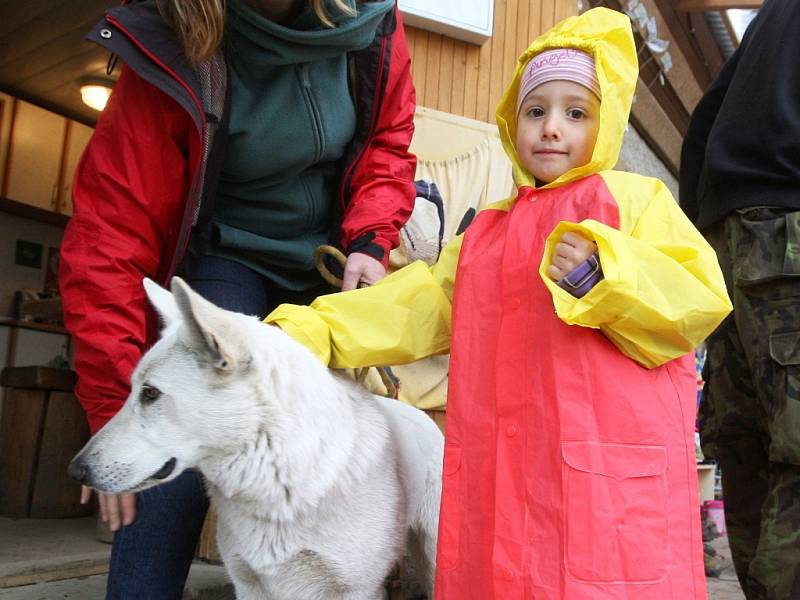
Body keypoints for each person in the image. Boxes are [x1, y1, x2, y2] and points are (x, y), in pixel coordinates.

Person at [266, 7, 732, 599]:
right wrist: (313, 332)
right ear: (514, 123)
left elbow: (699, 298)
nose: (551, 128)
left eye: (576, 112)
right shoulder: (486, 233)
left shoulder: (634, 201)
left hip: (603, 494)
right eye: (535, 111)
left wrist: (607, 276)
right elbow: (418, 304)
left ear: (607, 120)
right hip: (506, 486)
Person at [58, 0, 416, 597]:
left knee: (335, 447)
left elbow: (388, 136)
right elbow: (108, 238)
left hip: (330, 263)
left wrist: (371, 239)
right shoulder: (168, 40)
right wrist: (116, 412)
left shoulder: (374, 18)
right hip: (228, 260)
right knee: (183, 418)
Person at [680, 2, 800, 597]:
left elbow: (703, 121)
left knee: (745, 447)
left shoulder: (773, 19)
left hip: (727, 236)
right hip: (790, 232)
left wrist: (702, 234)